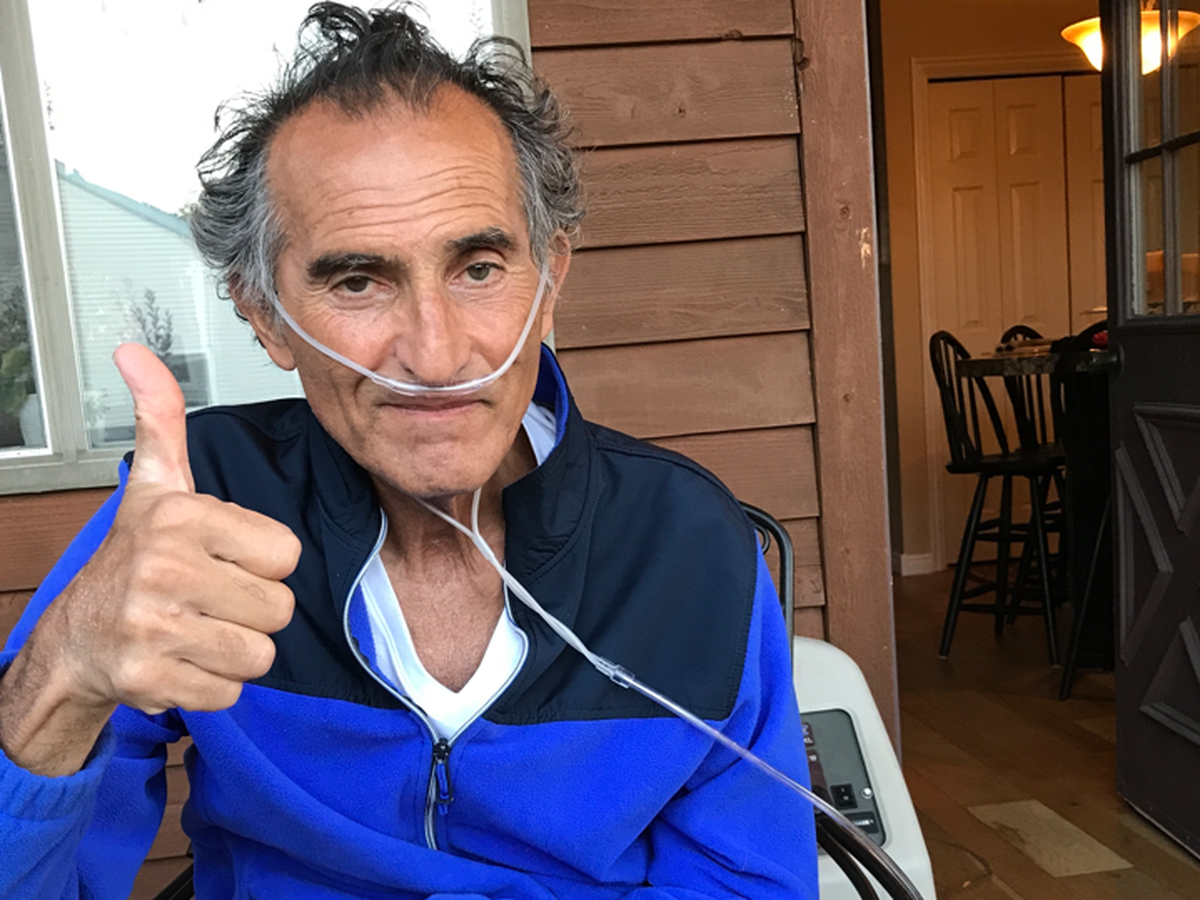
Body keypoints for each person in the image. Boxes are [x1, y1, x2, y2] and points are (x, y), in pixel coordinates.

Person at [0, 4, 818, 897]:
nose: (435, 355)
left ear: (548, 283)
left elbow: (752, 881)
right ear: (265, 315)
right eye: (359, 281)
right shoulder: (198, 504)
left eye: (479, 269)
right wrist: (64, 672)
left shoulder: (687, 541)